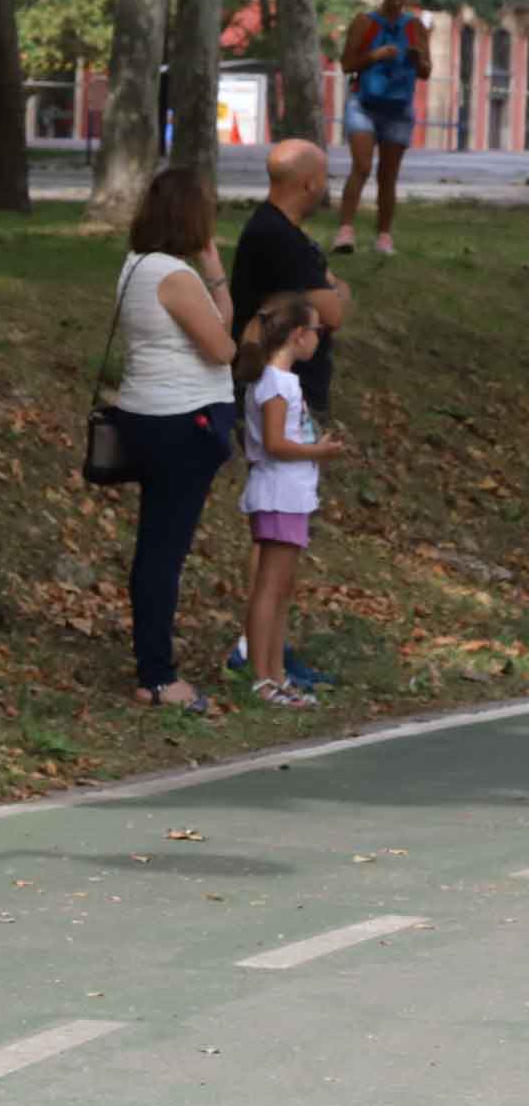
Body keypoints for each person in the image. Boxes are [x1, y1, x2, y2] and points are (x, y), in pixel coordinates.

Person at [109, 165, 238, 714]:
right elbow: (224, 349)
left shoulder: (139, 267)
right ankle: (158, 676)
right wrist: (207, 275)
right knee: (164, 551)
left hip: (147, 415)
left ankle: (153, 665)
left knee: (157, 545)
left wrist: (215, 272)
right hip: (181, 423)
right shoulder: (172, 276)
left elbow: (218, 323)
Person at [223, 137, 350, 688]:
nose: (326, 186)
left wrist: (331, 295)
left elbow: (330, 305)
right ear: (307, 183)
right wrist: (332, 295)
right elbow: (334, 308)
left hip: (298, 397)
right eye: (323, 177)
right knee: (273, 546)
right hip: (286, 403)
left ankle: (270, 648)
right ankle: (257, 652)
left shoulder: (288, 237)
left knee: (286, 545)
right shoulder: (275, 237)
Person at [230, 293, 348, 711]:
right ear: (299, 335)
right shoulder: (277, 383)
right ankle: (263, 679)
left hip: (288, 493)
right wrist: (320, 451)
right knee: (269, 589)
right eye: (317, 330)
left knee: (281, 590)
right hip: (280, 492)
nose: (319, 338)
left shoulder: (275, 381)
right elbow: (277, 443)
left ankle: (276, 674)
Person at [332, 0, 428, 256]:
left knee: (388, 175)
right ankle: (345, 232)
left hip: (398, 109)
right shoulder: (365, 22)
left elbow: (425, 71)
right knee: (361, 166)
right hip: (364, 105)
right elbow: (347, 64)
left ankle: (384, 237)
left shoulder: (415, 27)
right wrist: (374, 55)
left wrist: (417, 61)